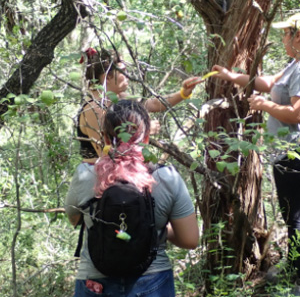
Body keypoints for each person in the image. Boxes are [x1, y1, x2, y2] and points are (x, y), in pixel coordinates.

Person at [211, 12, 300, 297]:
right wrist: (232, 76)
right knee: (293, 212)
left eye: (285, 33)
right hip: (299, 148)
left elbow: (299, 113)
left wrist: (263, 107)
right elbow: (270, 83)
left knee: (297, 215)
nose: (282, 39)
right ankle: (296, 265)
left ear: (298, 36)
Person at [65, 99, 199, 296]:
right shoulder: (167, 177)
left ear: (106, 138)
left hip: (94, 282)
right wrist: (155, 227)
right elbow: (190, 240)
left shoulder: (85, 174)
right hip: (153, 281)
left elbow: (74, 218)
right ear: (146, 138)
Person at [66, 48, 201, 226]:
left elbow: (152, 104)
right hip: (101, 181)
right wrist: (143, 131)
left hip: (124, 174)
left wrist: (183, 93)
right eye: (122, 72)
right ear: (106, 77)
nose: (127, 76)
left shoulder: (119, 98)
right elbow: (108, 153)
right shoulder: (94, 108)